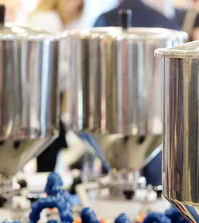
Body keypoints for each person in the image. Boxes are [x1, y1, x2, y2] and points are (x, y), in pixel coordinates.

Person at [94, 0, 179, 186]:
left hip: (108, 117)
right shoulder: (163, 21)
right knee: (156, 181)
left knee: (111, 164)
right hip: (154, 115)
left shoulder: (103, 19)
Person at [27, 0, 84, 172]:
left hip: (39, 106)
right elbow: (58, 71)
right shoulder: (50, 21)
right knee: (47, 165)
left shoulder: (39, 18)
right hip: (45, 107)